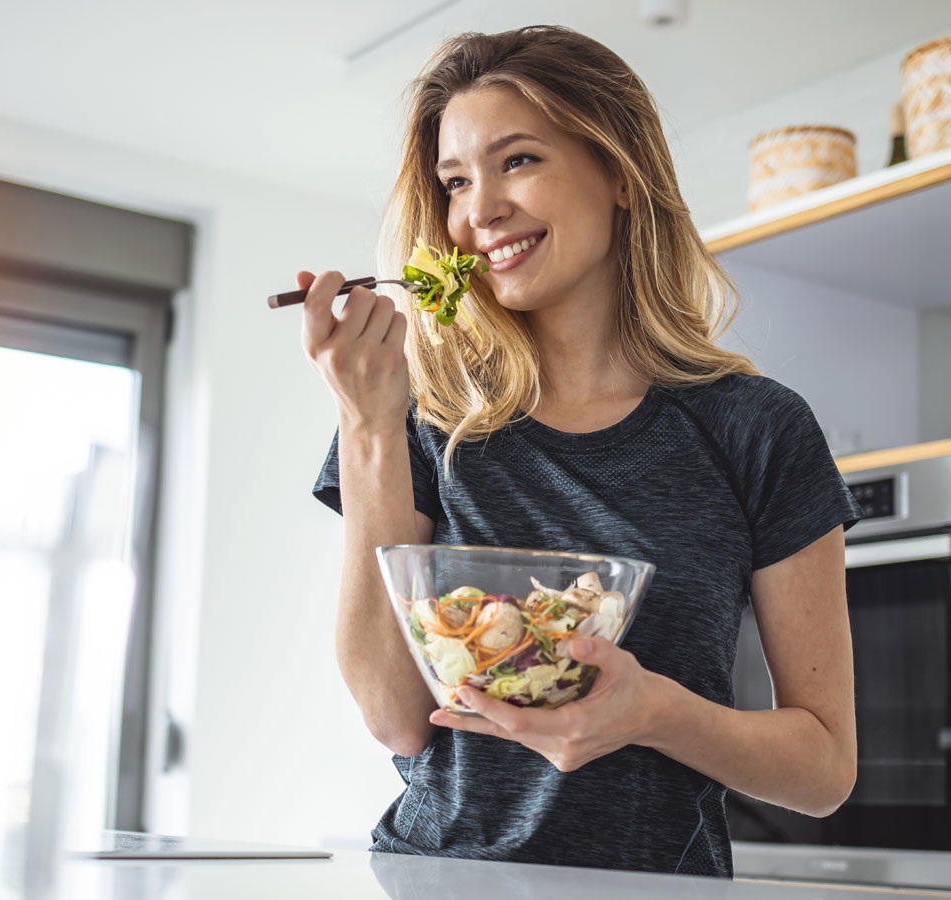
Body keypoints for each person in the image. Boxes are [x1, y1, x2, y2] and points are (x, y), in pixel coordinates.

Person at [300, 25, 861, 879]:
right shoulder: (416, 415)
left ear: (620, 171)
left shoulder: (760, 429)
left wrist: (651, 712)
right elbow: (396, 716)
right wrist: (368, 425)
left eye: (518, 160)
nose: (478, 210)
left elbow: (823, 771)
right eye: (456, 181)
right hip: (439, 879)